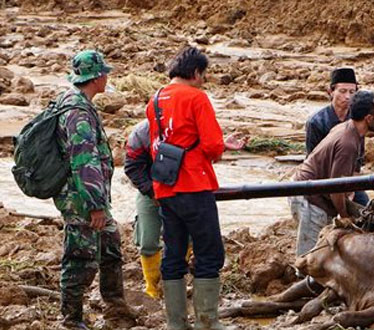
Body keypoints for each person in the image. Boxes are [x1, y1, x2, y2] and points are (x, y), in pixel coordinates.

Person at [146, 46, 232, 330]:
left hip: (165, 186)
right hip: (194, 183)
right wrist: (219, 149)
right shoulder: (197, 98)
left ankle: (176, 324)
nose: (203, 80)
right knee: (210, 253)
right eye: (203, 75)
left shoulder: (155, 99)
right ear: (196, 73)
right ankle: (208, 322)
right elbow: (212, 145)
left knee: (174, 253)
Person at [54, 50, 136, 329]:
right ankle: (71, 319)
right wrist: (96, 205)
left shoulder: (76, 102)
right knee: (80, 257)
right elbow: (83, 160)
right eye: (105, 73)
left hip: (85, 195)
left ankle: (116, 308)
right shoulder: (77, 112)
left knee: (110, 244)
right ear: (96, 77)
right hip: (81, 198)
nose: (107, 77)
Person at [124, 120, 246, 300]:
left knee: (186, 238)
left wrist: (221, 146)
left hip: (183, 188)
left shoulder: (189, 125)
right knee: (148, 240)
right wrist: (151, 191)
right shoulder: (142, 132)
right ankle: (152, 288)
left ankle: (176, 287)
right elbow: (132, 166)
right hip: (151, 191)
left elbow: (202, 155)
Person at [292, 90, 374, 256]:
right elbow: (335, 188)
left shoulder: (353, 131)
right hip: (310, 197)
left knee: (324, 252)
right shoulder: (347, 144)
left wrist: (350, 194)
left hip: (316, 191)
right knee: (310, 256)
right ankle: (303, 279)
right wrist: (344, 215)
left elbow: (351, 174)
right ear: (368, 118)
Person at [305, 67, 369, 205]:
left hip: (348, 177)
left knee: (366, 208)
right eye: (342, 91)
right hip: (322, 179)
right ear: (331, 92)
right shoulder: (316, 122)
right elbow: (313, 159)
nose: (347, 97)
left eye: (352, 92)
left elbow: (358, 159)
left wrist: (352, 186)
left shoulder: (357, 118)